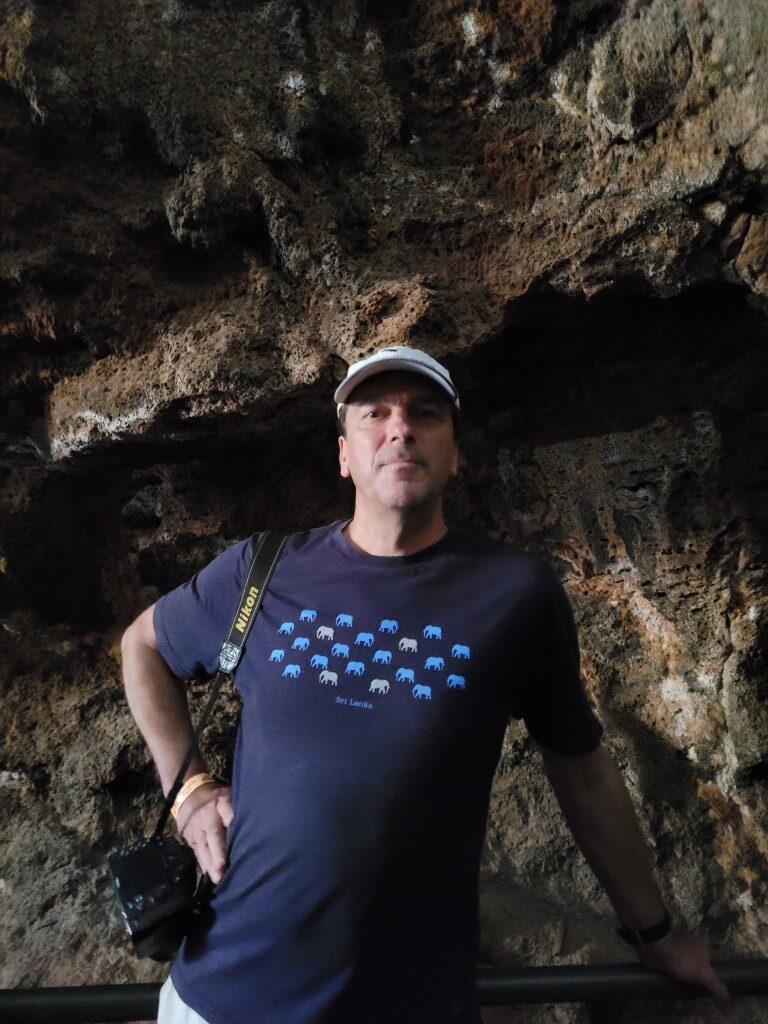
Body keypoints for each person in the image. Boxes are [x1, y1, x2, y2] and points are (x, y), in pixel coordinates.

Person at [121, 345, 730, 1024]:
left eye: (426, 414)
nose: (400, 429)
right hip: (225, 993)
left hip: (410, 1001)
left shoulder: (515, 592)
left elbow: (581, 769)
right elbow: (142, 647)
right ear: (344, 454)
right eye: (374, 414)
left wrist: (654, 935)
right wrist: (191, 792)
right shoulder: (262, 570)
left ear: (455, 454)